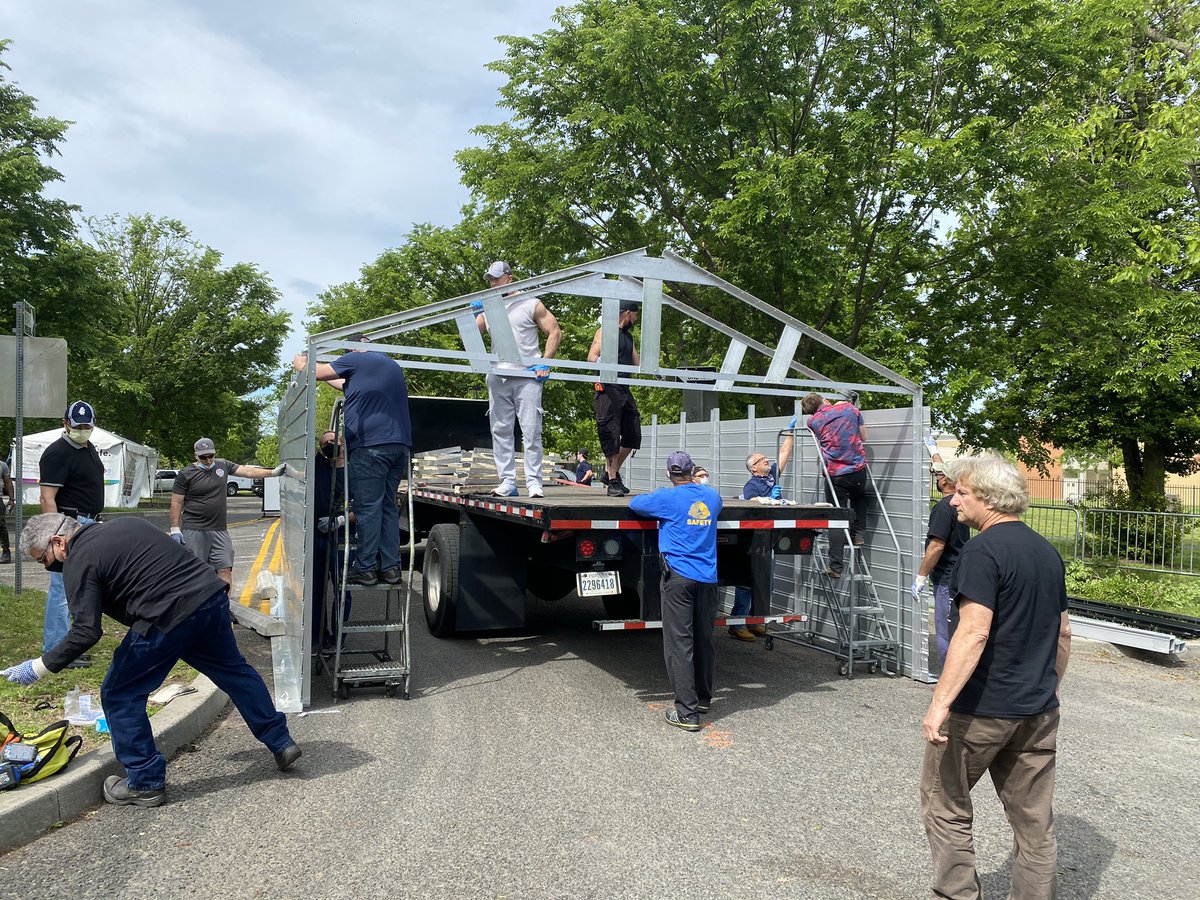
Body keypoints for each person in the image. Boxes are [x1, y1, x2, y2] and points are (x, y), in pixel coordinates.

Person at [3, 513, 301, 807]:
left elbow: (86, 631)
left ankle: (145, 784)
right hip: (208, 598)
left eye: (44, 560)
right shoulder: (127, 523)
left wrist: (37, 668)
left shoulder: (80, 558)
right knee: (235, 673)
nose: (48, 568)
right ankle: (281, 742)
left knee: (120, 693)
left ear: (59, 541)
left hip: (166, 618)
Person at [920, 456, 1072, 900]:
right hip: (1037, 710)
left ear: (987, 497)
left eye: (962, 492)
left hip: (980, 712)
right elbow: (1063, 631)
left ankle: (958, 894)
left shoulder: (981, 551)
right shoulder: (1046, 551)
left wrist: (939, 704)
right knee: (1034, 824)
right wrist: (1051, 686)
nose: (953, 499)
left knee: (945, 805)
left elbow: (973, 632)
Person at [293, 337, 412, 587]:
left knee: (368, 508)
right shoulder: (389, 365)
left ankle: (365, 567)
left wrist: (302, 363)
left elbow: (316, 372)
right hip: (398, 446)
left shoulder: (356, 358)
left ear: (352, 349)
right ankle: (391, 568)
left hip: (371, 448)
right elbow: (339, 381)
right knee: (387, 507)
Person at [629, 451, 723, 732]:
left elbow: (635, 504)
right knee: (704, 638)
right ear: (693, 470)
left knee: (679, 644)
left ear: (669, 474)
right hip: (708, 578)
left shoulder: (666, 499)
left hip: (679, 578)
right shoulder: (712, 497)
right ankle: (703, 698)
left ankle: (687, 713)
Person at [473, 260, 562, 499]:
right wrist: (475, 312)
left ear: (509, 279)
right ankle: (507, 481)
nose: (492, 283)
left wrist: (546, 361)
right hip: (499, 375)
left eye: (496, 278)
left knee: (531, 430)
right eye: (490, 279)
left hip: (526, 375)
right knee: (500, 430)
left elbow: (554, 331)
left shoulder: (530, 303)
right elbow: (473, 331)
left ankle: (534, 483)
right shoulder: (490, 308)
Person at [38, 400, 105, 663]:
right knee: (62, 588)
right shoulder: (57, 453)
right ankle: (55, 649)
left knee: (82, 586)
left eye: (87, 425)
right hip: (69, 524)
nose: (83, 430)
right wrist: (55, 535)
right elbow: (46, 498)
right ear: (65, 424)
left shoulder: (89, 448)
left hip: (88, 524)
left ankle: (71, 643)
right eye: (78, 426)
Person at [170, 438, 286, 587]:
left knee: (225, 568)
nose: (207, 460)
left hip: (219, 529)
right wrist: (175, 528)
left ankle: (225, 605)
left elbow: (248, 471)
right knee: (196, 571)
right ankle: (198, 606)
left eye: (210, 456)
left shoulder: (222, 465)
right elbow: (176, 502)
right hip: (194, 529)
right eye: (203, 457)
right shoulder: (186, 474)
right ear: (195, 456)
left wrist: (273, 473)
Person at [730, 420, 796, 641]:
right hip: (754, 542)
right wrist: (767, 499)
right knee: (748, 581)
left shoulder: (773, 476)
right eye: (761, 459)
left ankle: (755, 620)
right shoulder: (752, 485)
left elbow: (785, 451)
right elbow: (752, 503)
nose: (766, 460)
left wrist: (790, 432)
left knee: (767, 582)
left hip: (771, 538)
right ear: (753, 467)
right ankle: (737, 623)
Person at [801, 392, 868, 577]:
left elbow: (826, 419)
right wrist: (845, 404)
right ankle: (858, 534)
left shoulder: (812, 422)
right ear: (824, 399)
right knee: (859, 499)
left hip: (834, 475)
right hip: (857, 470)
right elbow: (864, 436)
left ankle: (836, 567)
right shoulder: (850, 409)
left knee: (837, 519)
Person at [912, 458, 970, 664]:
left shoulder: (944, 508)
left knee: (945, 632)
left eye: (938, 475)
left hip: (946, 578)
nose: (937, 478)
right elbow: (945, 467)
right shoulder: (960, 504)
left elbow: (936, 546)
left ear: (945, 480)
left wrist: (921, 576)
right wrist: (934, 453)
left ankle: (950, 678)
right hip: (959, 574)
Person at [587, 299, 642, 496]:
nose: (636, 319)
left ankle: (612, 472)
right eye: (635, 315)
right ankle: (612, 481)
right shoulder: (605, 332)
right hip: (607, 389)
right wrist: (605, 362)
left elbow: (636, 363)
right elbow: (592, 357)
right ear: (627, 313)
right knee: (611, 433)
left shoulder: (629, 337)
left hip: (624, 389)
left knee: (633, 435)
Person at [312, 430, 354, 654]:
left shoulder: (353, 472)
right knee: (316, 591)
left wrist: (340, 520)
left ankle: (338, 639)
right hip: (318, 538)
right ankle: (318, 638)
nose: (329, 445)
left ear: (342, 444)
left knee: (341, 591)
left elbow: (363, 508)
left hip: (342, 538)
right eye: (325, 443)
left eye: (333, 441)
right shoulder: (319, 466)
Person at [0, 456, 14, 564]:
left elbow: (8, 482)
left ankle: (6, 552)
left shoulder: (2, 465)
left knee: (1, 526)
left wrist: (11, 499)